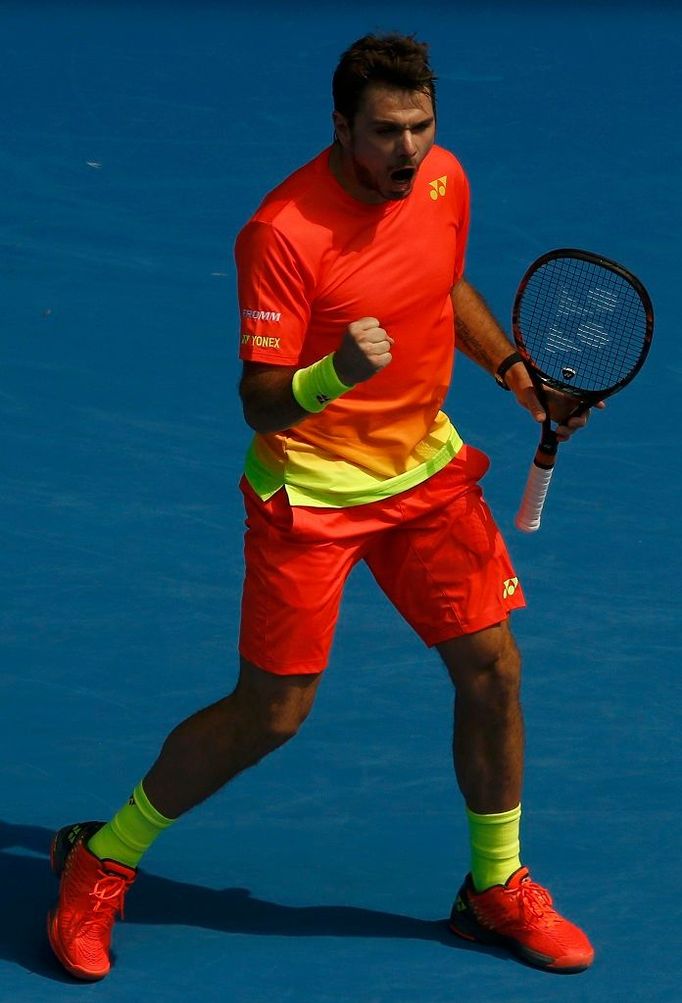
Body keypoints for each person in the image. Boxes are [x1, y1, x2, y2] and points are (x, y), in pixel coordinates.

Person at [47, 33, 596, 981]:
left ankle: (494, 887)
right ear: (340, 125)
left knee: (493, 670)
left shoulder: (441, 181)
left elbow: (443, 283)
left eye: (422, 126)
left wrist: (512, 371)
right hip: (313, 488)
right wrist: (339, 369)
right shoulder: (284, 231)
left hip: (422, 473)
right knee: (272, 713)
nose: (410, 150)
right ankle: (103, 855)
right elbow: (259, 397)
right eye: (386, 132)